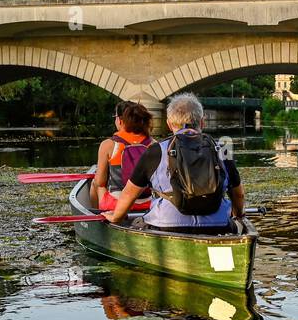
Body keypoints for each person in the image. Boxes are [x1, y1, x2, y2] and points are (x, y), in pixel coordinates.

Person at [106, 93, 246, 231]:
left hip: (167, 226)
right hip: (217, 226)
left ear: (169, 124)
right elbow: (238, 194)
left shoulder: (155, 151)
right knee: (234, 226)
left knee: (138, 224)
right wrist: (238, 215)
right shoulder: (222, 151)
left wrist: (116, 218)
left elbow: (129, 194)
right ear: (202, 122)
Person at [91, 101, 154, 211]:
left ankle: (96, 216)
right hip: (148, 203)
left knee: (95, 183)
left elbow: (100, 182)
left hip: (117, 205)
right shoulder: (153, 144)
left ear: (120, 120)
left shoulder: (108, 145)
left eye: (115, 117)